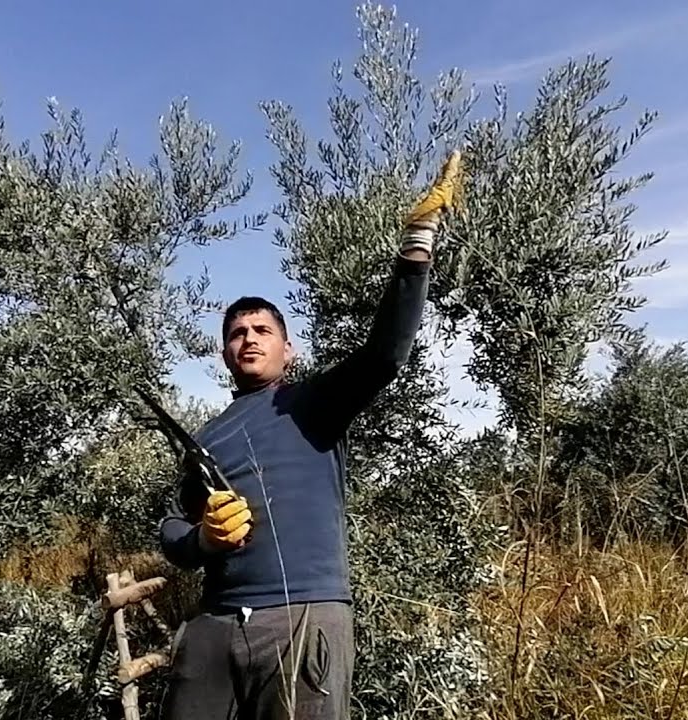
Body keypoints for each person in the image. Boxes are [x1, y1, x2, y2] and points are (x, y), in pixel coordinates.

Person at [157, 151, 461, 720]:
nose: (249, 338)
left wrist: (417, 244)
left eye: (263, 330)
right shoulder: (206, 438)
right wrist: (203, 540)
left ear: (287, 348)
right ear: (224, 352)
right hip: (215, 626)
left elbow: (385, 354)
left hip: (304, 619)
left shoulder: (313, 404)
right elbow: (172, 529)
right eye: (237, 333)